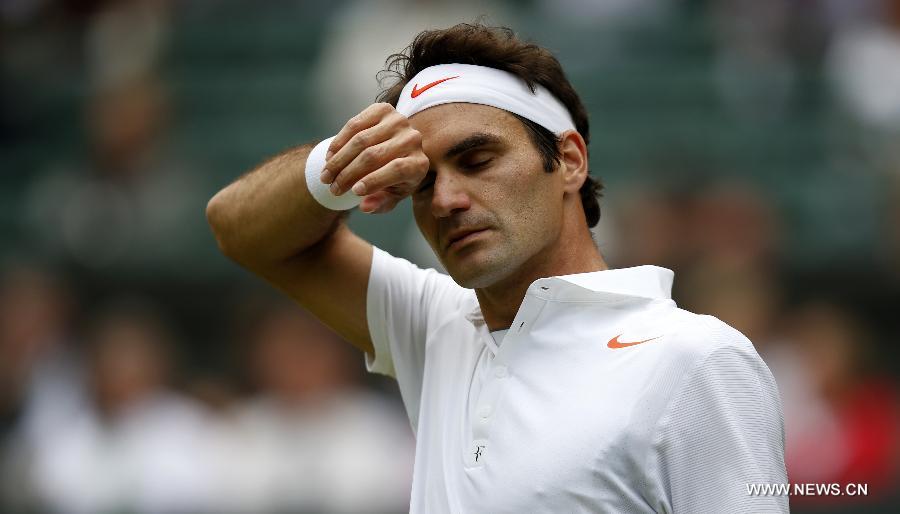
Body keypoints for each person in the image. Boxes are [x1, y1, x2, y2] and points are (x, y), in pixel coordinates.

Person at [207, 23, 788, 513]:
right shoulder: (439, 329)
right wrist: (338, 166)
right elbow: (237, 230)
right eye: (423, 181)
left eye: (477, 159)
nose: (446, 200)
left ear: (568, 160)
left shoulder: (696, 358)